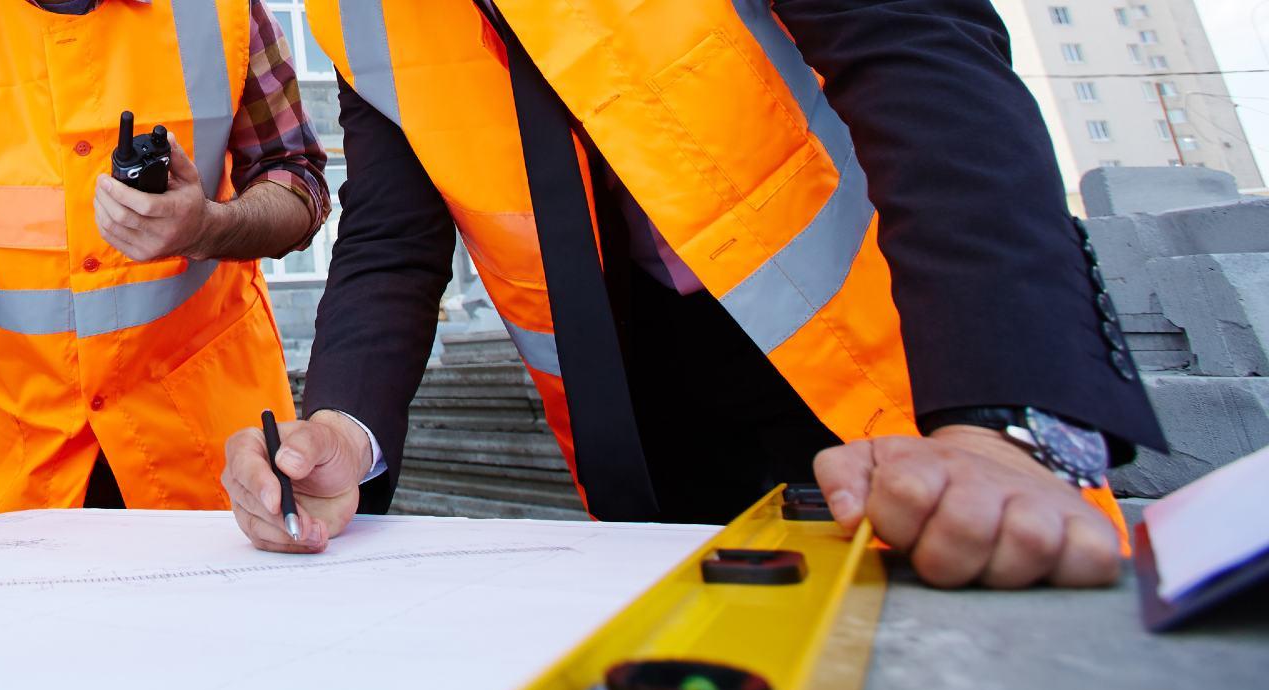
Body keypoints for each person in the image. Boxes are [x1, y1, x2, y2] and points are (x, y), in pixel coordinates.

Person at [218, 0, 1165, 589]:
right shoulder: (359, 12)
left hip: (909, 381)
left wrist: (1005, 418)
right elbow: (389, 239)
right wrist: (344, 428)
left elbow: (916, 46)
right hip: (639, 417)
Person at [0, 0, 331, 548]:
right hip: (30, 475)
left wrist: (209, 227)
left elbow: (297, 179)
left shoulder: (222, 9)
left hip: (217, 464)